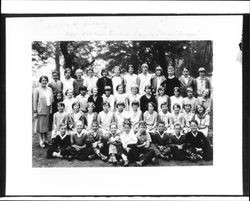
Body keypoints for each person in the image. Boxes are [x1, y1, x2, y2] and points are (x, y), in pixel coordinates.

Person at [33, 75, 54, 148]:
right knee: (40, 126)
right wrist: (35, 111)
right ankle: (41, 140)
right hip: (40, 110)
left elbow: (52, 99)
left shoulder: (49, 89)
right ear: (40, 81)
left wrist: (51, 108)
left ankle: (45, 140)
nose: (44, 82)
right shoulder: (37, 90)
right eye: (43, 80)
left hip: (48, 110)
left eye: (45, 80)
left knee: (46, 126)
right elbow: (35, 101)